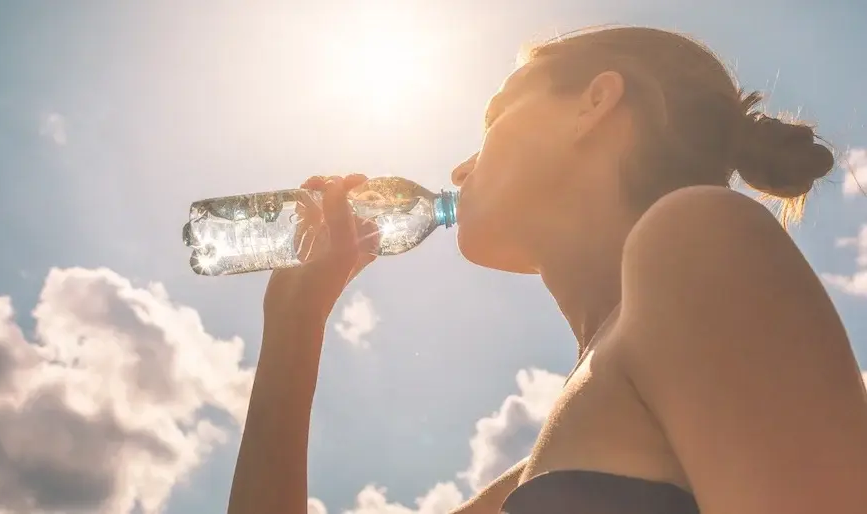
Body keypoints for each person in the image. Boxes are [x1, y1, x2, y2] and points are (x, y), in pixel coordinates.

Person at [226, 26, 867, 514]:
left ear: (594, 103)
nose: (457, 170)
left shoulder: (698, 234)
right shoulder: (548, 458)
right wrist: (293, 322)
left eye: (494, 116)